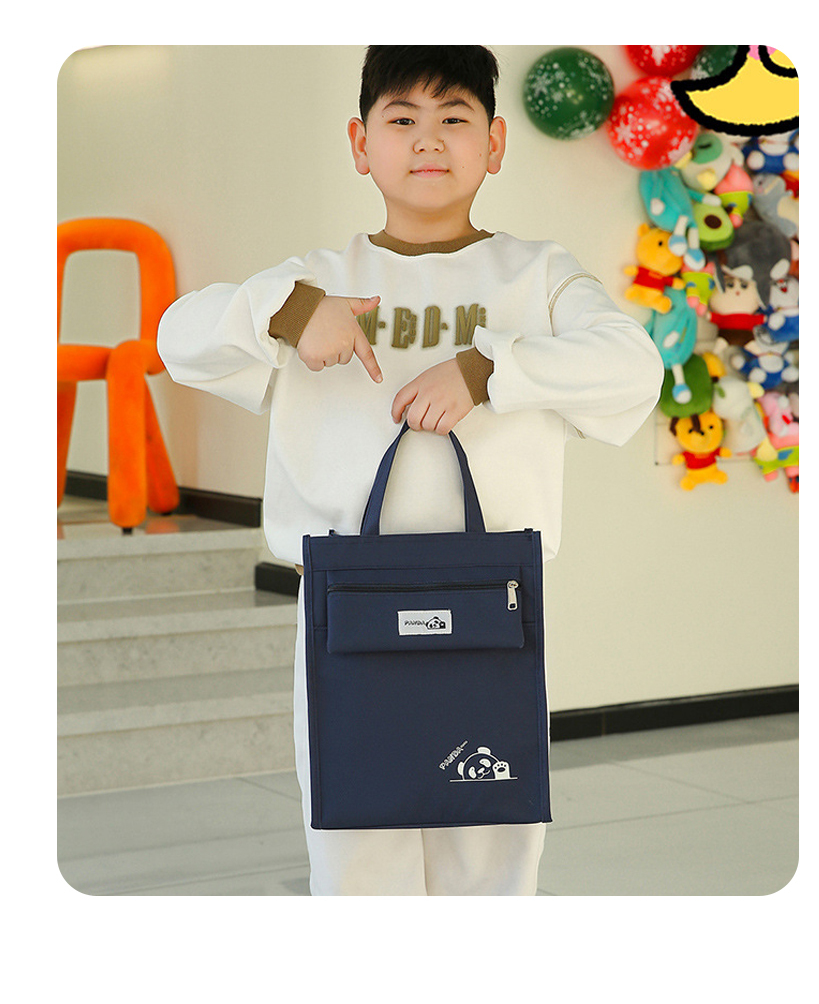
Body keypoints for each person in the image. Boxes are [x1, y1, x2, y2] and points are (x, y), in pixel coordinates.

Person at [157, 45, 664, 895]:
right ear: (361, 145)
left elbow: (633, 366)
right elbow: (178, 337)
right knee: (359, 856)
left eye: (454, 118)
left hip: (493, 603)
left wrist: (488, 368)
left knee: (492, 854)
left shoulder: (538, 276)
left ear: (494, 144)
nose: (429, 139)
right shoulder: (318, 280)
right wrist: (289, 314)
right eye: (402, 118)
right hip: (346, 607)